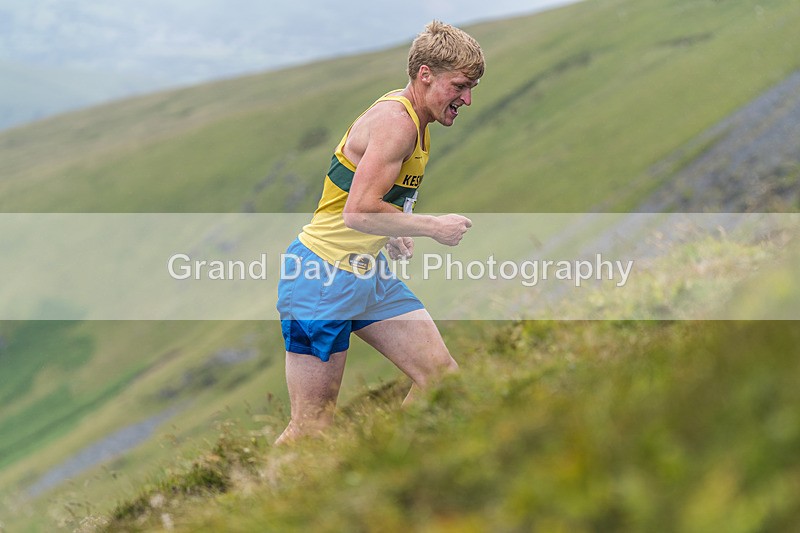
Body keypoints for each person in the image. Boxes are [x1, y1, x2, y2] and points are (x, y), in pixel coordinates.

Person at [275, 20, 484, 444]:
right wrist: (432, 227)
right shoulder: (397, 123)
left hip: (367, 276)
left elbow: (356, 191)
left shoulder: (416, 120)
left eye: (471, 87)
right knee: (311, 429)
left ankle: (382, 463)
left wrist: (391, 230)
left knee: (440, 378)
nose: (467, 98)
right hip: (322, 277)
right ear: (425, 74)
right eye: (460, 86)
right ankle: (252, 505)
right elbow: (356, 213)